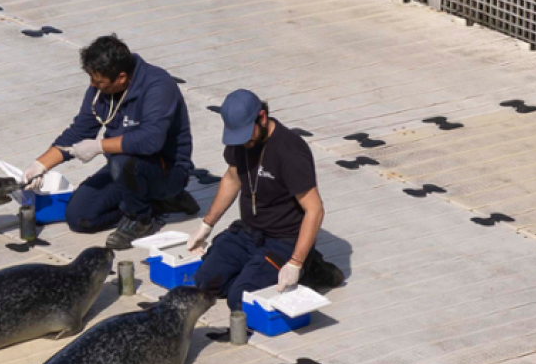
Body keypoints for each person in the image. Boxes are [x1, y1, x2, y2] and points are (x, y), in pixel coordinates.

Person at [21, 35, 199, 251]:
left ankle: (141, 219)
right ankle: (157, 203)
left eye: (98, 82)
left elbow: (150, 141)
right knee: (79, 217)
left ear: (121, 77)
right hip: (122, 170)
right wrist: (40, 165)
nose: (92, 85)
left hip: (165, 170)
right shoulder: (102, 89)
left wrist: (98, 147)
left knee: (123, 160)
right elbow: (80, 130)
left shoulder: (158, 87)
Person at [189, 89, 342, 312]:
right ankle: (253, 273)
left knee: (240, 301)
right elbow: (232, 177)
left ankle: (308, 267)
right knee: (204, 283)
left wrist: (295, 263)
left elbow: (315, 210)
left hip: (283, 240)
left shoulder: (290, 151)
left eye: (246, 135)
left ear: (262, 117)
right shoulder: (240, 141)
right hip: (248, 232)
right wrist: (206, 224)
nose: (242, 142)